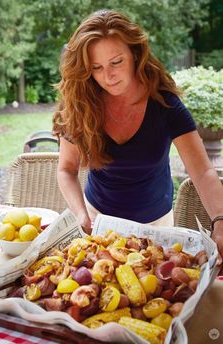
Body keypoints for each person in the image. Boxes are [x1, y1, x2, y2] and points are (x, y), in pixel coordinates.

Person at [52, 9, 223, 259]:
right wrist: (82, 215)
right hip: (98, 221)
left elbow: (203, 171)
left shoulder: (166, 106)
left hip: (157, 226)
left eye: (116, 62)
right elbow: (66, 169)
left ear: (135, 54)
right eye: (97, 67)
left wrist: (220, 219)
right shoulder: (81, 104)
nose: (108, 76)